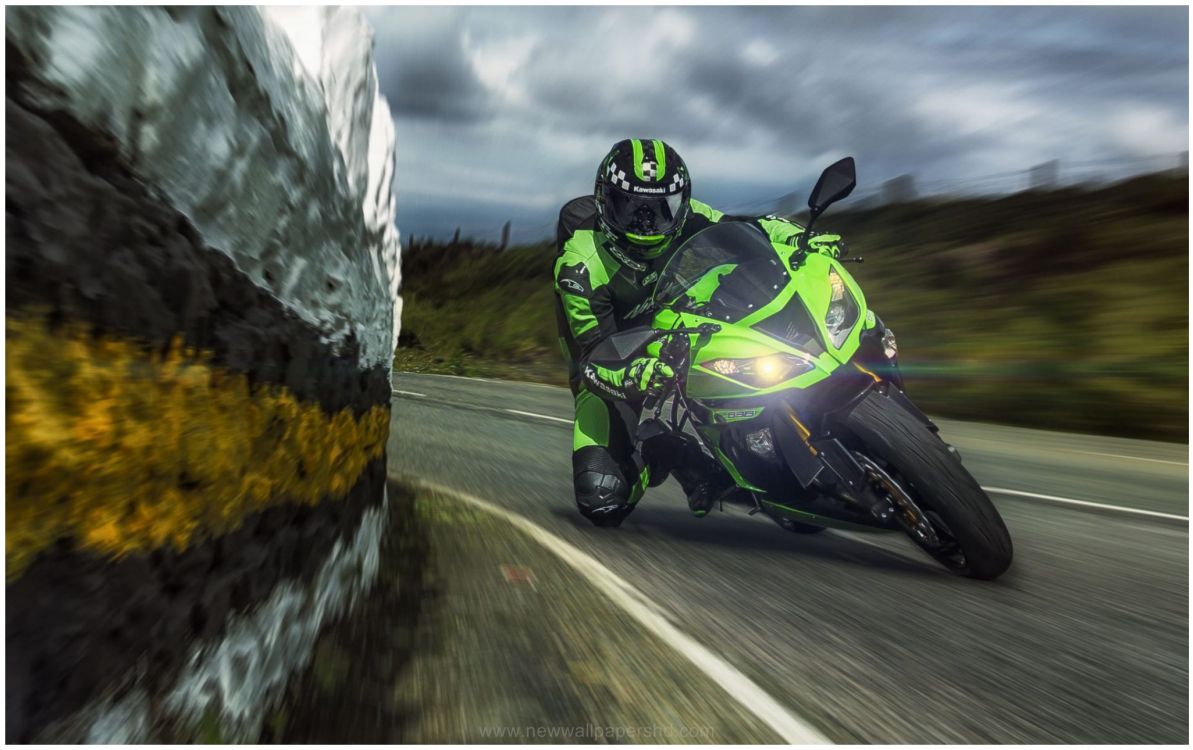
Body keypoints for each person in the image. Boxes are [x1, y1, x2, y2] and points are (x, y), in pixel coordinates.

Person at [553, 138, 845, 526]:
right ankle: (674, 453)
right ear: (607, 202)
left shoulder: (689, 216)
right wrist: (636, 373)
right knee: (602, 501)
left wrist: (794, 238)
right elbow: (590, 358)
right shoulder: (580, 266)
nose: (648, 222)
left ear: (681, 200)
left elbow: (745, 230)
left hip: (679, 319)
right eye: (632, 208)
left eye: (662, 208)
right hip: (616, 358)